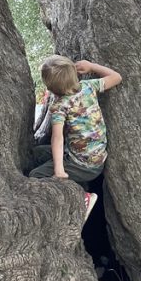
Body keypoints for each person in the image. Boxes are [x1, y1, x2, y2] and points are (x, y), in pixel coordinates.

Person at [29, 55, 122, 222]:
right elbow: (116, 77)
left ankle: (81, 199)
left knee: (35, 175)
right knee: (36, 153)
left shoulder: (59, 106)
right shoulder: (88, 87)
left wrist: (59, 170)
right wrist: (92, 66)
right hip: (95, 157)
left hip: (82, 165)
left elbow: (57, 139)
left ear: (51, 89)